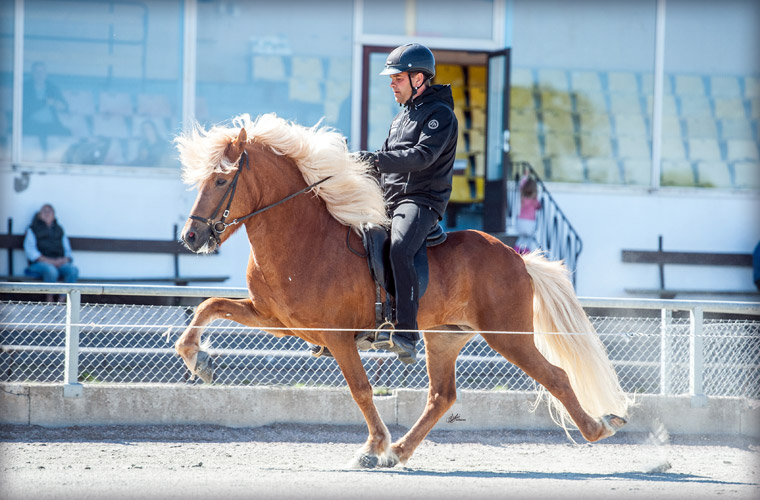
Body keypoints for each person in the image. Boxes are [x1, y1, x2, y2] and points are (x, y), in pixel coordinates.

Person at [356, 43, 459, 364]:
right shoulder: (402, 117)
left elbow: (421, 157)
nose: (391, 84)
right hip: (390, 200)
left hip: (421, 201)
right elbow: (386, 160)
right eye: (392, 78)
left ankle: (406, 332)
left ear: (418, 79)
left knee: (401, 248)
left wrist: (373, 159)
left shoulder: (440, 115)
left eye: (397, 78)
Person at [24, 204, 78, 301]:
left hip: (59, 263)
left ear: (54, 215)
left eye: (50, 211)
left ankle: (62, 300)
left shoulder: (59, 230)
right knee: (51, 270)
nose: (47, 213)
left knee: (72, 270)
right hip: (40, 264)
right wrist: (51, 262)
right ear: (39, 215)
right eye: (44, 211)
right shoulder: (33, 229)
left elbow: (68, 251)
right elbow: (31, 252)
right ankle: (50, 300)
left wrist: (64, 260)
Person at [23, 62, 70, 155]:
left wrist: (57, 104)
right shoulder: (26, 87)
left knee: (67, 133)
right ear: (32, 74)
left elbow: (65, 107)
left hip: (51, 124)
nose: (40, 75)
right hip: (31, 124)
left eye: (42, 72)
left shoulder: (52, 87)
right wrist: (44, 102)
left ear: (46, 73)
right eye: (37, 72)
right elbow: (27, 106)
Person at [515, 171, 542, 254]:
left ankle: (515, 253)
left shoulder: (523, 198)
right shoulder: (534, 201)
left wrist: (525, 177)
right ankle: (526, 255)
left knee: (520, 239)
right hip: (530, 223)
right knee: (528, 241)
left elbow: (521, 187)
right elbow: (539, 206)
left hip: (520, 222)